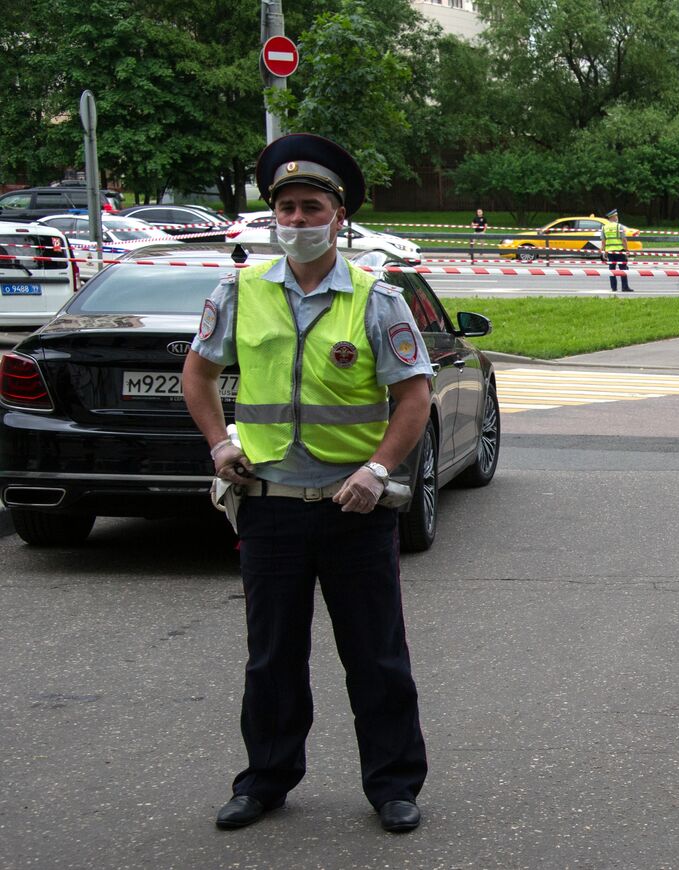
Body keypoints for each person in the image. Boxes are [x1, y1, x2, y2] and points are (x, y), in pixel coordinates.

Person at [182, 133, 433, 833]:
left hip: (355, 510)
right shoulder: (239, 290)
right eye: (285, 209)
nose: (296, 221)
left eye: (310, 207)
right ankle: (264, 780)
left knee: (377, 658)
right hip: (270, 508)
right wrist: (219, 443)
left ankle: (393, 785)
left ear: (338, 217)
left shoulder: (376, 299)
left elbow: (414, 397)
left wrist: (377, 470)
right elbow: (198, 375)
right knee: (272, 660)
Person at [600, 208, 632, 292]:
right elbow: (624, 239)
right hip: (619, 251)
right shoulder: (619, 226)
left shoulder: (604, 227)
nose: (617, 217)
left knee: (612, 270)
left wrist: (603, 252)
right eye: (616, 216)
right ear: (613, 217)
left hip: (610, 252)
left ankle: (613, 288)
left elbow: (603, 241)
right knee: (623, 269)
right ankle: (624, 287)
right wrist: (627, 250)